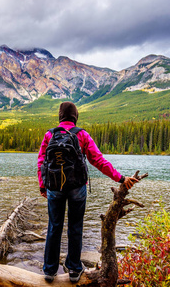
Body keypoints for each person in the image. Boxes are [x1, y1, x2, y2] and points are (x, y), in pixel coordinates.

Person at [37, 101, 137, 282]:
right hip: (77, 187)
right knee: (75, 227)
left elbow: (41, 162)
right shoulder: (82, 135)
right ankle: (74, 270)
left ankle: (49, 271)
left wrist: (43, 185)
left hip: (54, 187)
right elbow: (98, 160)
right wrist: (121, 178)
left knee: (54, 226)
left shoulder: (49, 135)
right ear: (75, 117)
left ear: (60, 116)